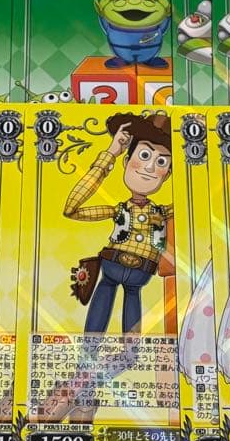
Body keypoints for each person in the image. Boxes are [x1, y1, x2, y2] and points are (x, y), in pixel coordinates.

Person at [64, 112, 174, 334]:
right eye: (144, 155)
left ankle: (130, 352)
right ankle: (89, 349)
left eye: (161, 161)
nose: (149, 168)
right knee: (102, 304)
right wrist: (110, 154)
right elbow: (71, 209)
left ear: (168, 174)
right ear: (126, 161)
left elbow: (195, 200)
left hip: (142, 271)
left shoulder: (164, 212)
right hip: (111, 265)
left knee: (132, 302)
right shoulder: (118, 210)